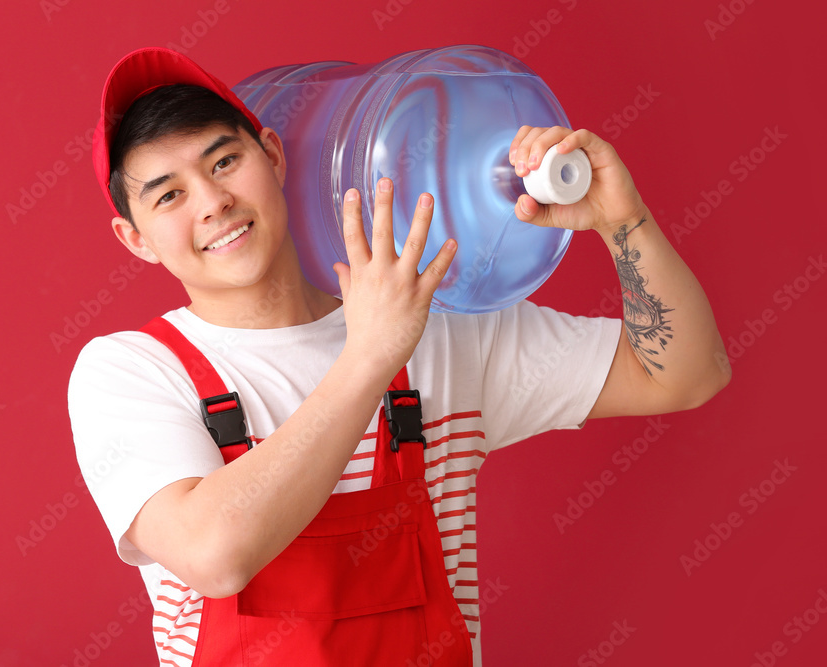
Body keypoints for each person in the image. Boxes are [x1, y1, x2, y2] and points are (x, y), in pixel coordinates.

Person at [68, 47, 730, 666]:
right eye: (169, 195)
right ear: (136, 239)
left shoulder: (438, 324)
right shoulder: (131, 372)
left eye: (222, 162)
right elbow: (214, 554)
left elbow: (685, 372)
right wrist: (371, 354)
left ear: (271, 154)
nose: (214, 203)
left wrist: (622, 222)